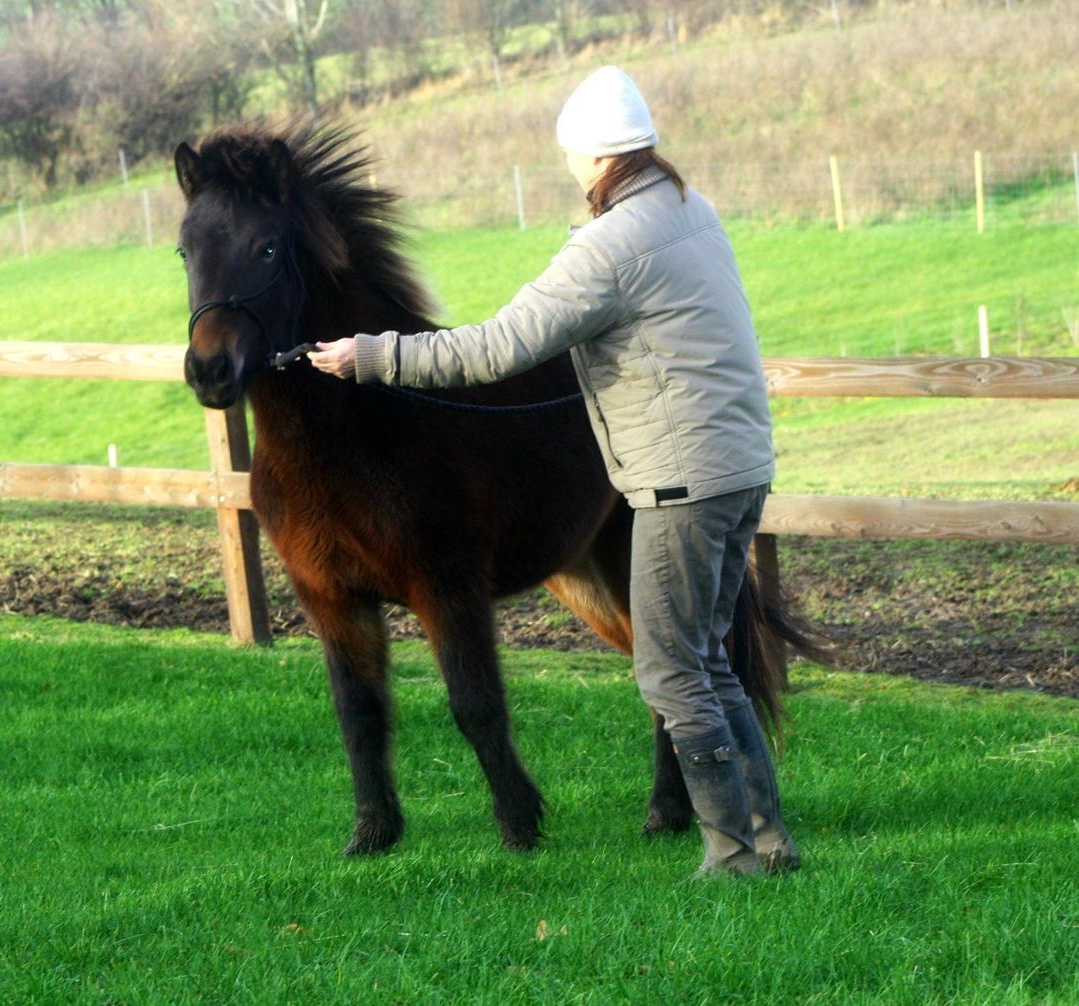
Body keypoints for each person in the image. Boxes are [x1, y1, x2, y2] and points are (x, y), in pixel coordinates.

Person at [310, 65, 799, 877]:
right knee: (710, 659)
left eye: (573, 155)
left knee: (672, 670)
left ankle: (734, 854)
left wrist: (371, 355)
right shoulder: (690, 208)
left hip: (682, 481)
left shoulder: (609, 247)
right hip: (741, 465)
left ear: (594, 157)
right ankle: (767, 837)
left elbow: (492, 348)